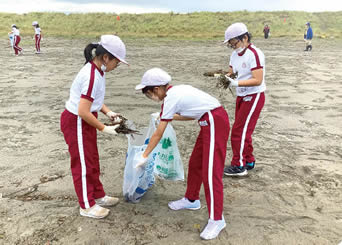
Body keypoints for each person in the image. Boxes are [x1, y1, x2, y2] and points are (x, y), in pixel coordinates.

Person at [135, 68, 230, 240]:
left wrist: (144, 155)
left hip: (215, 121)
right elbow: (191, 115)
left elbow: (158, 133)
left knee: (210, 172)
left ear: (156, 89)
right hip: (207, 121)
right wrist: (165, 115)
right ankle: (192, 199)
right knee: (195, 163)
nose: (150, 98)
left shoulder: (172, 96)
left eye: (148, 94)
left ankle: (217, 219)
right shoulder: (173, 93)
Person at [60, 35, 128, 219]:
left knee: (92, 160)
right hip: (77, 121)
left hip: (88, 118)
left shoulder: (98, 71)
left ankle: (98, 195)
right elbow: (83, 110)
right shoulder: (91, 75)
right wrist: (104, 128)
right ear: (106, 57)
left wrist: (108, 112)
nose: (117, 66)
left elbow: (94, 101)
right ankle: (86, 205)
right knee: (82, 164)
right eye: (117, 62)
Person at [222, 23, 266, 177]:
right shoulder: (235, 54)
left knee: (238, 131)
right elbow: (231, 72)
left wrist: (237, 83)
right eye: (231, 44)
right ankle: (249, 160)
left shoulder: (254, 54)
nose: (233, 47)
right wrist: (225, 77)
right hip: (241, 96)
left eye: (234, 43)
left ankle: (239, 165)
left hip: (254, 96)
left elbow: (258, 79)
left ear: (245, 38)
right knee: (243, 130)